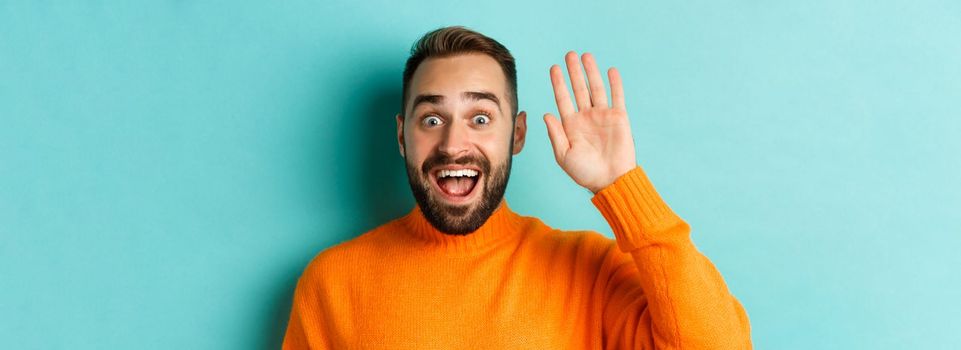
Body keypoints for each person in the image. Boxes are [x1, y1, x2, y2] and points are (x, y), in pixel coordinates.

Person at [282, 26, 752, 349]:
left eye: (480, 118)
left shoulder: (589, 273)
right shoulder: (332, 284)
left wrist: (622, 186)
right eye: (432, 119)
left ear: (518, 134)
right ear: (403, 136)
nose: (453, 144)